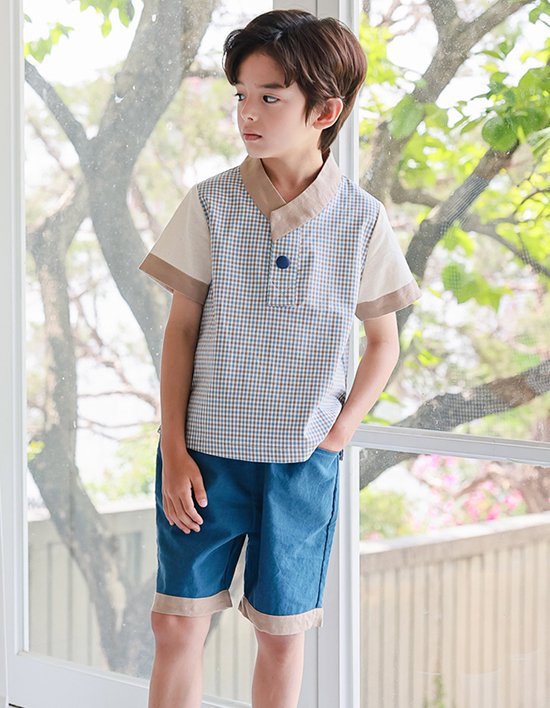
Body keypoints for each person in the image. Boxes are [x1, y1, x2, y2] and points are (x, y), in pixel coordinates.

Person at [139, 8, 421, 708]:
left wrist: (338, 435)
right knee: (175, 623)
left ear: (324, 111)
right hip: (203, 457)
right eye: (242, 94)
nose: (248, 112)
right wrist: (173, 449)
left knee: (282, 634)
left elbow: (383, 341)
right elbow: (180, 331)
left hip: (300, 463)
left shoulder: (361, 218)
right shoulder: (211, 203)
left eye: (270, 97)